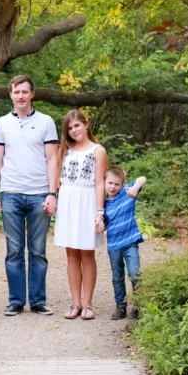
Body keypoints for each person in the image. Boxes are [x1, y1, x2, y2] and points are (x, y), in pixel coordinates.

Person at [0, 75, 59, 316]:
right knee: (14, 250)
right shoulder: (2, 123)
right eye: (17, 92)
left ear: (32, 94)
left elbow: (52, 159)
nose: (21, 96)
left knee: (38, 250)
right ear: (11, 95)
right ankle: (16, 300)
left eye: (25, 92)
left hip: (39, 194)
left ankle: (38, 300)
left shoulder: (46, 122)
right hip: (11, 193)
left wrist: (52, 193)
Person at [53, 109, 108, 320]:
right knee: (71, 254)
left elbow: (100, 182)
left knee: (87, 252)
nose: (74, 130)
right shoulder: (65, 150)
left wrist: (99, 213)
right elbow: (58, 177)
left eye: (77, 125)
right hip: (68, 201)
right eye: (70, 127)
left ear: (86, 124)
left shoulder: (97, 150)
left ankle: (88, 303)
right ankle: (75, 303)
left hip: (87, 201)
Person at [104, 166, 147, 320]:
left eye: (117, 184)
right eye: (110, 183)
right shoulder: (102, 203)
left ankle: (138, 305)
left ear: (122, 184)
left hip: (130, 242)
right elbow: (102, 222)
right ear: (104, 182)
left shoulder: (128, 193)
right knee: (117, 276)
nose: (113, 187)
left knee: (134, 273)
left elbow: (142, 178)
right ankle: (120, 307)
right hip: (114, 245)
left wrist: (135, 188)